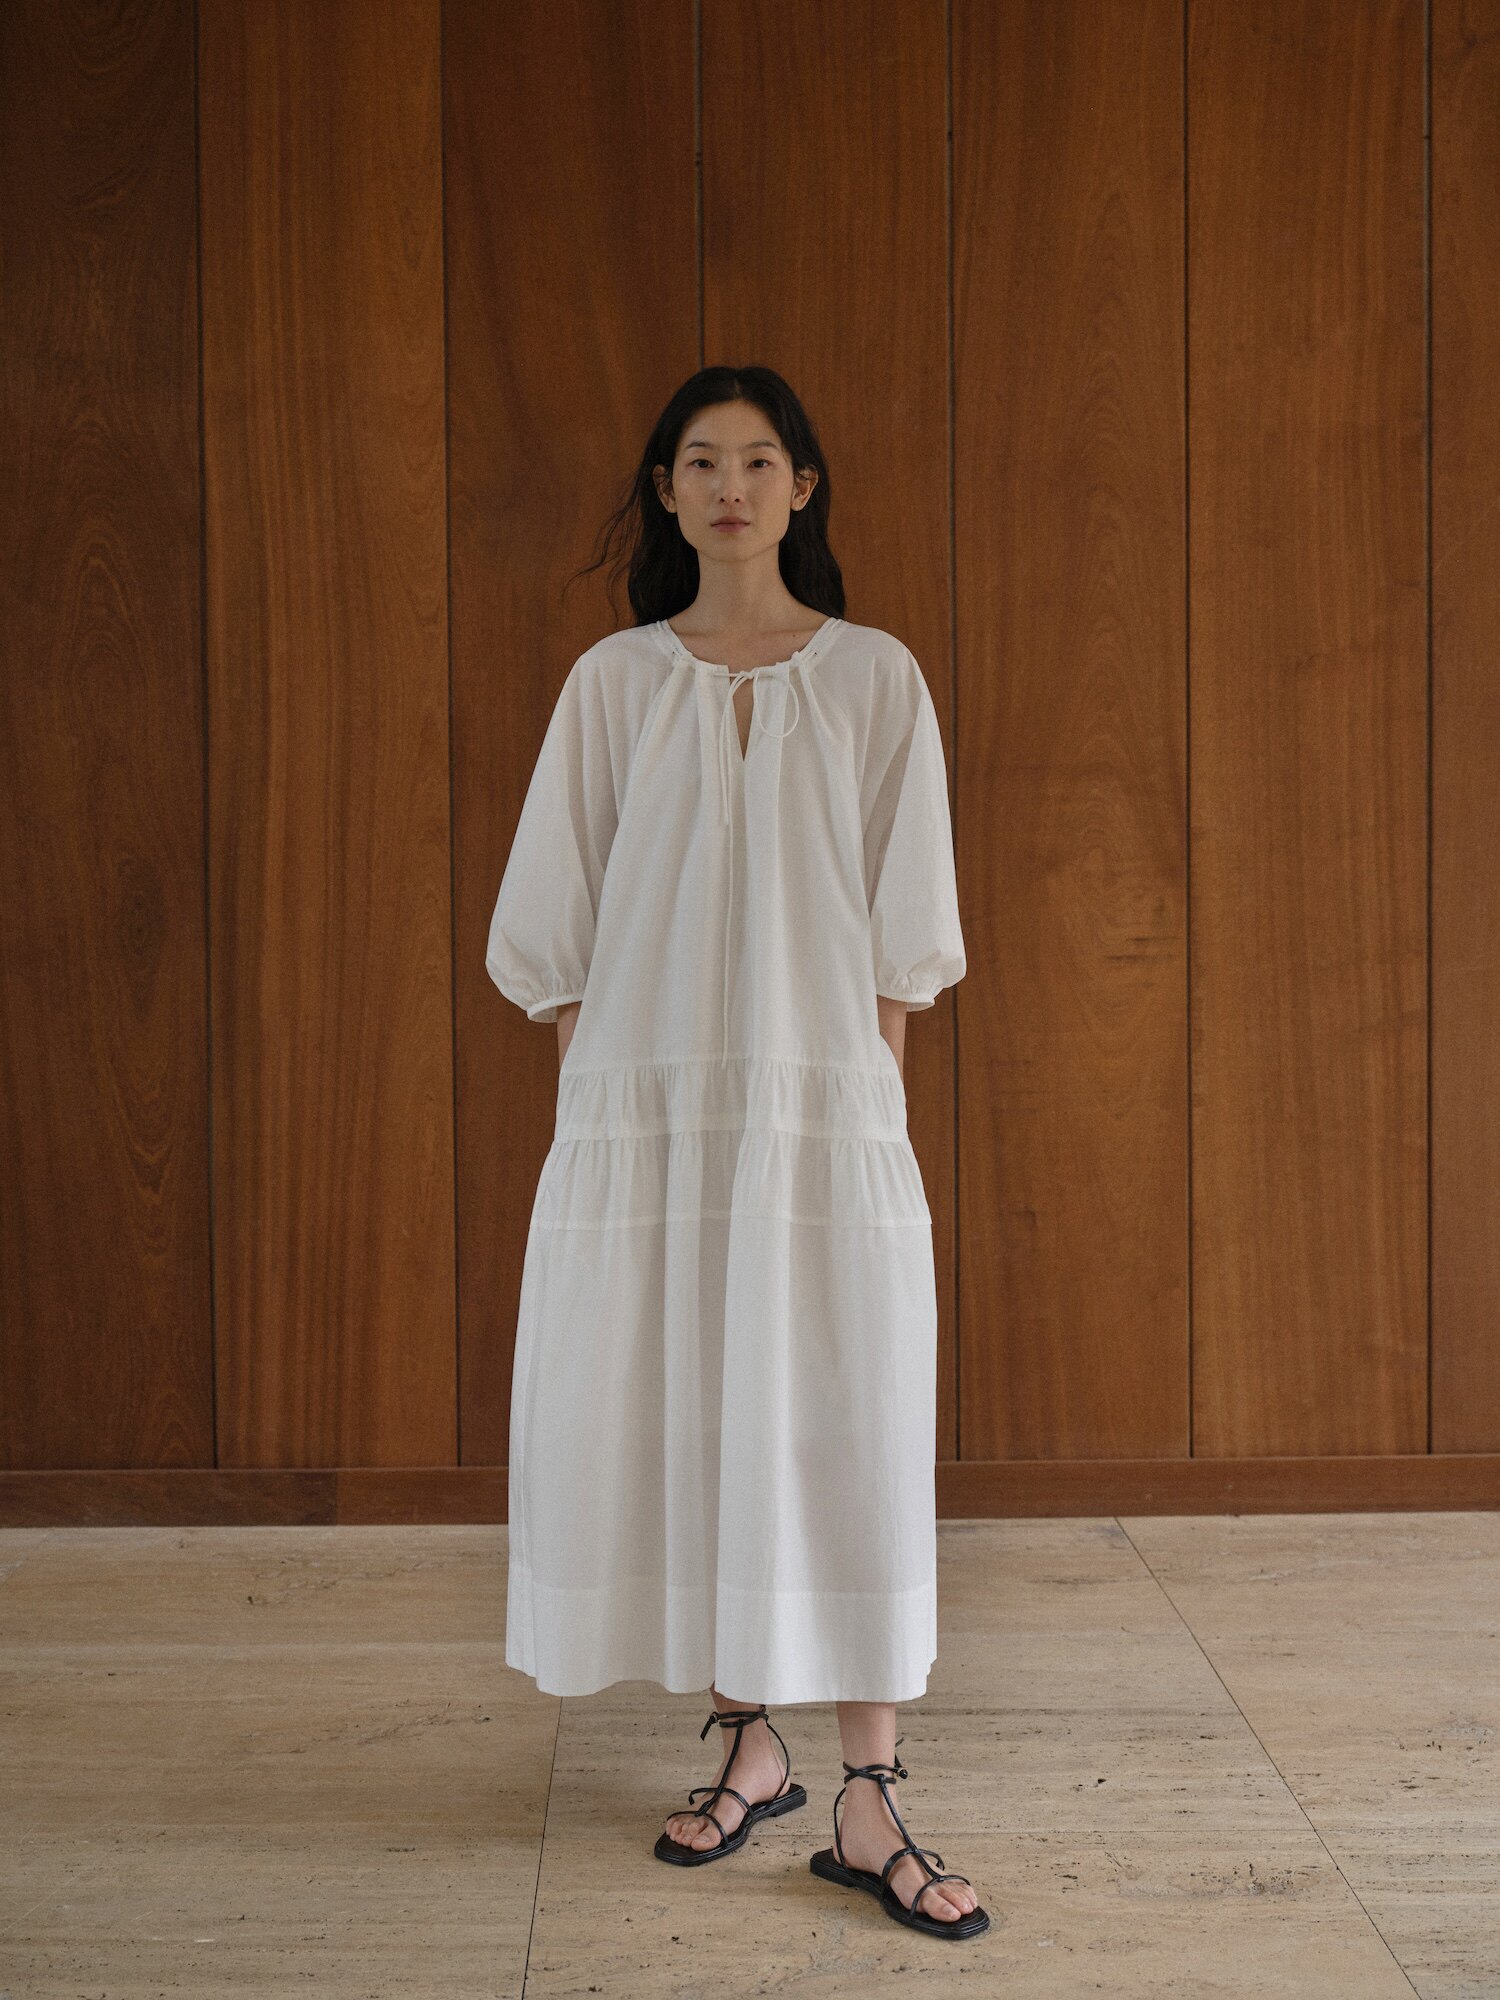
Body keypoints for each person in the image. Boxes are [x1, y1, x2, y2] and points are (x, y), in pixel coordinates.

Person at [485, 366, 987, 1940]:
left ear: (803, 487)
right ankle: (750, 1743)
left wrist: (861, 1111)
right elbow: (553, 919)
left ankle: (870, 1792)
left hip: (824, 1112)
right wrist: (604, 1103)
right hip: (647, 1118)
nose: (729, 487)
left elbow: (907, 931)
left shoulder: (874, 678)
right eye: (699, 462)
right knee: (701, 1408)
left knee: (841, 1419)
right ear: (665, 489)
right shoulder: (615, 683)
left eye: (758, 461)